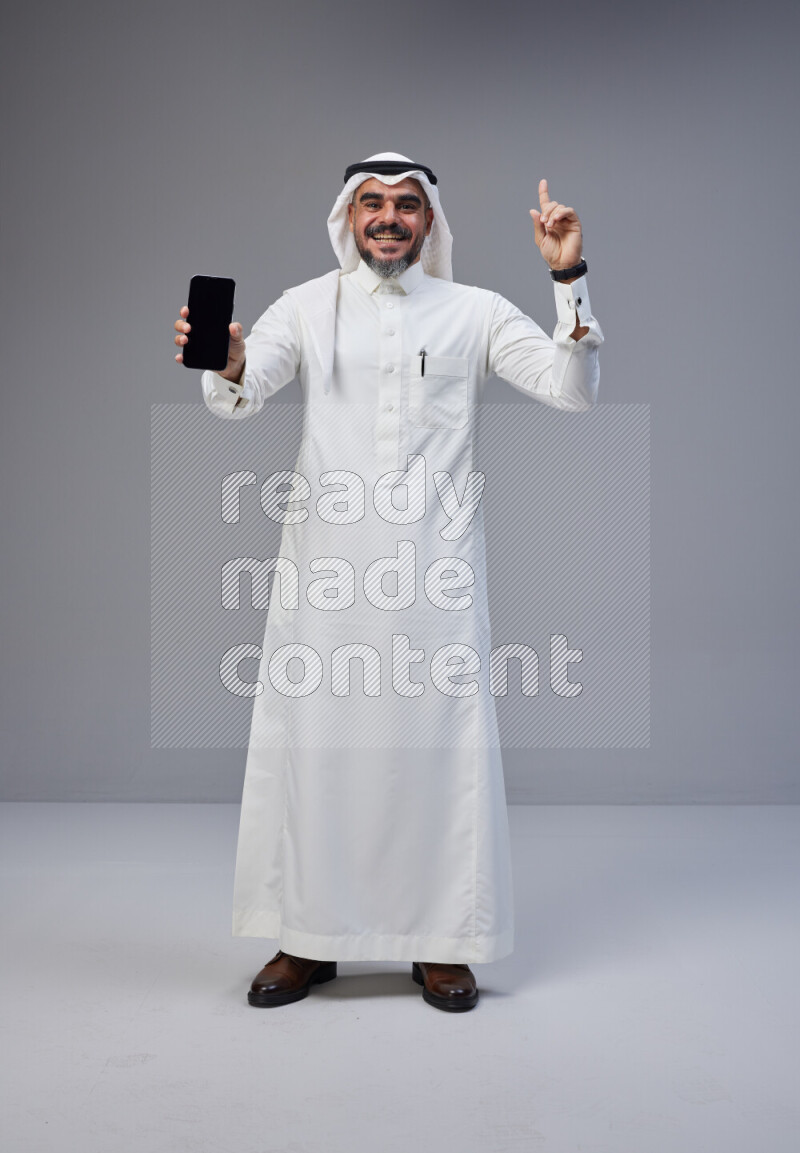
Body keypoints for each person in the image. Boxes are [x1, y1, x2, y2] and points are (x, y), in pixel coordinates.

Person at [173, 152, 603, 1012]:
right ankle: (307, 939)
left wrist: (569, 280)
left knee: (436, 755)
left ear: (431, 222)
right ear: (347, 217)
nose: (389, 218)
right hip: (324, 577)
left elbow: (572, 388)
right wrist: (223, 360)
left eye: (407, 205)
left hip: (435, 580)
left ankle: (442, 944)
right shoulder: (306, 305)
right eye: (371, 204)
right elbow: (244, 393)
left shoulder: (473, 312)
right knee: (317, 751)